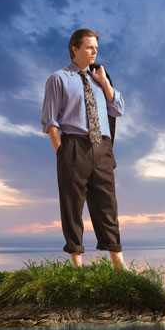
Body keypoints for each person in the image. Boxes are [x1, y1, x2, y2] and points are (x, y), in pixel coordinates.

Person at [41, 28, 127, 269]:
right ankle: (77, 263)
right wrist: (62, 152)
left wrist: (105, 83)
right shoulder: (58, 79)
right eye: (89, 48)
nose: (94, 52)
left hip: (103, 147)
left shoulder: (101, 77)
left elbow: (118, 109)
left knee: (107, 205)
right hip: (74, 146)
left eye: (96, 48)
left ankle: (117, 262)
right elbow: (50, 122)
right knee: (72, 205)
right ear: (74, 49)